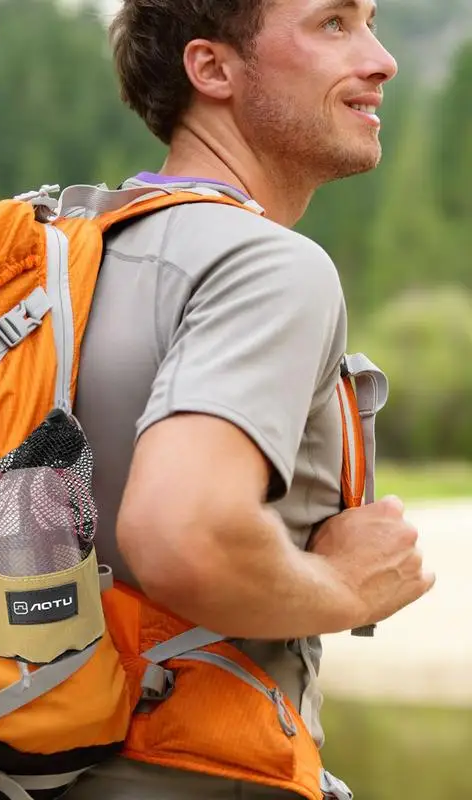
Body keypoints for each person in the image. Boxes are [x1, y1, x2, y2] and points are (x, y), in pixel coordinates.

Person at [65, 0, 435, 798]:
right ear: (213, 69)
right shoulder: (268, 265)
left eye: (371, 21)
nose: (381, 59)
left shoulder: (74, 257)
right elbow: (180, 533)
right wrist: (344, 589)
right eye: (333, 23)